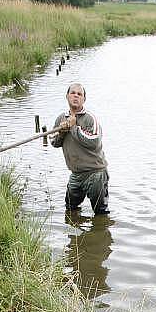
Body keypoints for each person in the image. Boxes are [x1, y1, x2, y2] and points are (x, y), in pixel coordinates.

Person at [52, 83, 109, 215]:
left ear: (84, 99)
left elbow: (93, 142)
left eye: (79, 94)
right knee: (70, 209)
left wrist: (73, 128)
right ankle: (76, 233)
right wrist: (62, 132)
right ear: (67, 96)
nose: (76, 96)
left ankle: (101, 233)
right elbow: (54, 142)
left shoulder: (90, 118)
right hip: (76, 174)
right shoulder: (61, 119)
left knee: (100, 212)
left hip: (95, 173)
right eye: (73, 93)